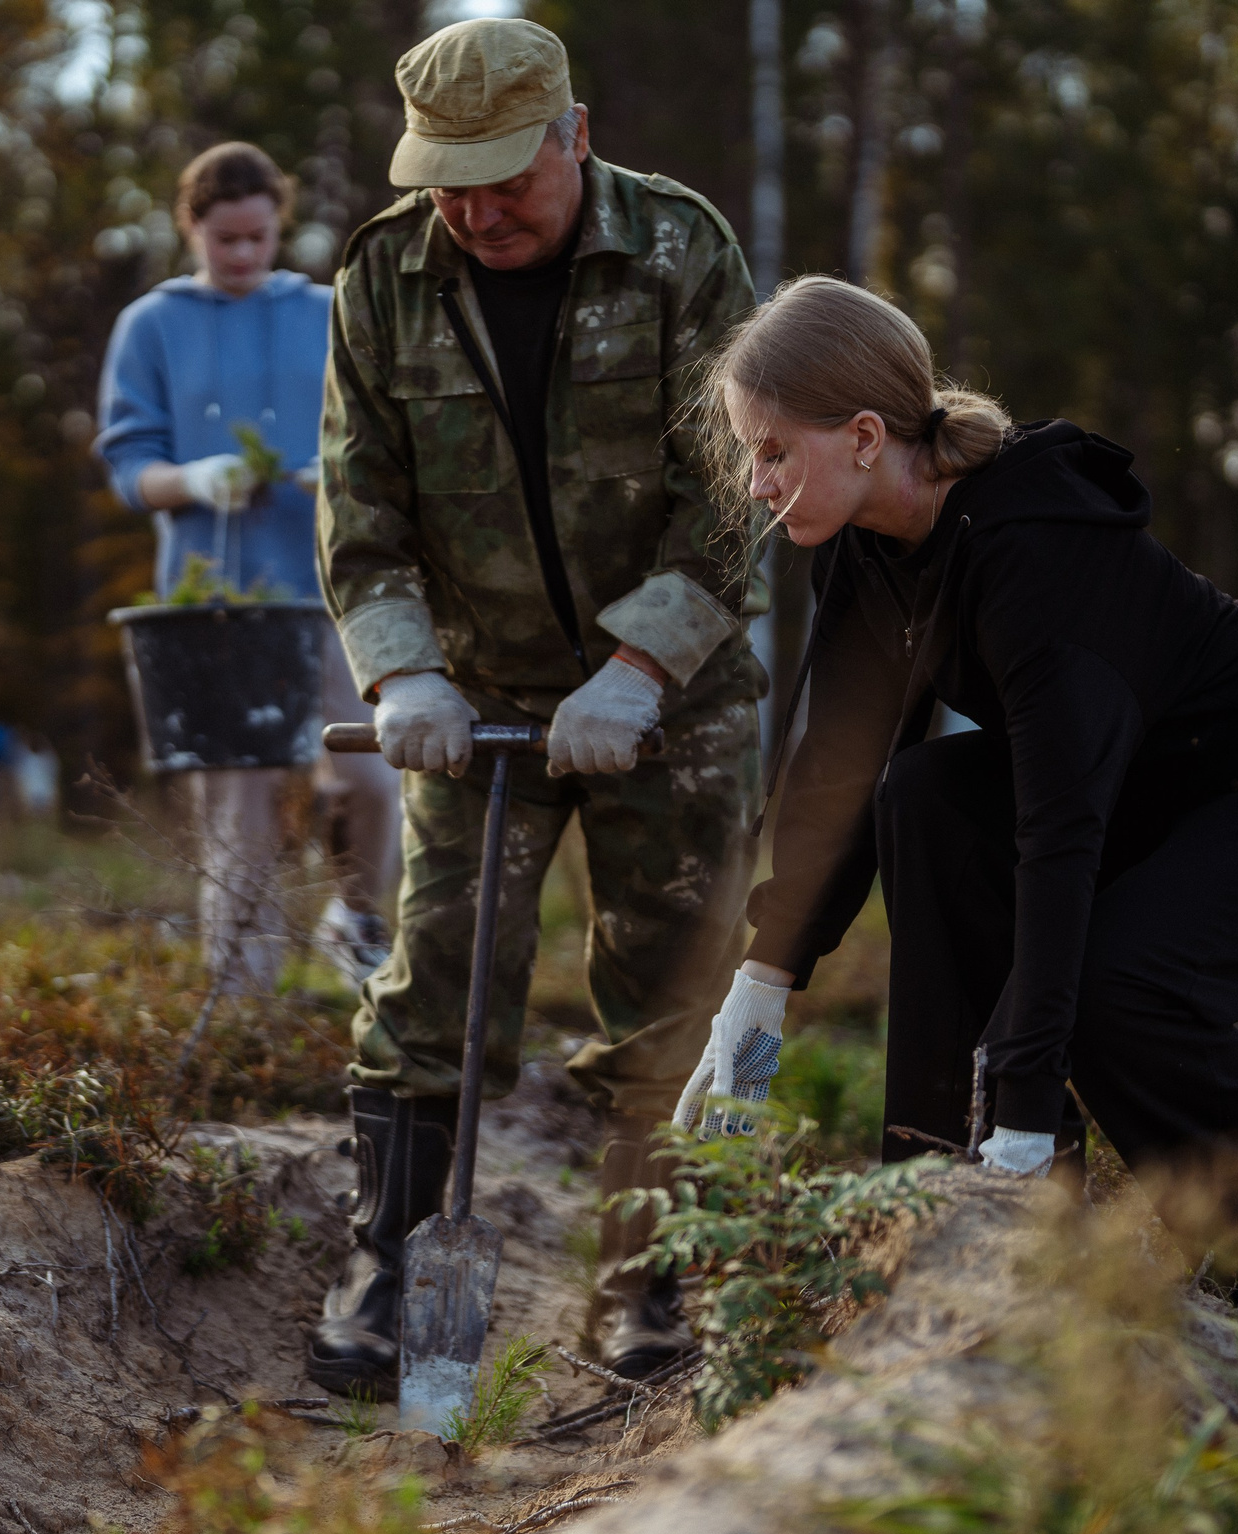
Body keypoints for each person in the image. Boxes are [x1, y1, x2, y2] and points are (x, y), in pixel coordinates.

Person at [679, 276, 1238, 1316]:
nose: (753, 482)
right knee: (918, 796)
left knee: (1115, 988)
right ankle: (939, 1196)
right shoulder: (863, 556)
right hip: (1139, 784)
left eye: (772, 449)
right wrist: (760, 990)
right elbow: (833, 772)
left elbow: (1058, 832)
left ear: (866, 435)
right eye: (749, 453)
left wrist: (1023, 1099)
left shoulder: (1036, 544)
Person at [311, 16, 764, 1393]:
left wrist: (640, 667)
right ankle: (388, 1268)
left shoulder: (682, 251)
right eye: (450, 176)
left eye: (508, 173)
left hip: (669, 708)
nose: (477, 208)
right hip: (474, 696)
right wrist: (401, 671)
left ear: (576, 132)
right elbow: (359, 506)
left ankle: (649, 1279)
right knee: (433, 975)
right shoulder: (385, 276)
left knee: (669, 985)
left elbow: (739, 494)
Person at [95, 141, 401, 993]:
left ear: (279, 227)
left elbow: (380, 432)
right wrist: (190, 478)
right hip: (216, 608)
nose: (241, 255)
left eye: (257, 238)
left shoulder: (327, 311)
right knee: (245, 805)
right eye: (224, 239)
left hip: (335, 592)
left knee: (376, 778)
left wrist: (333, 470)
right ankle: (241, 1002)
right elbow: (129, 468)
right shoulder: (152, 325)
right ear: (191, 227)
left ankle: (359, 920)